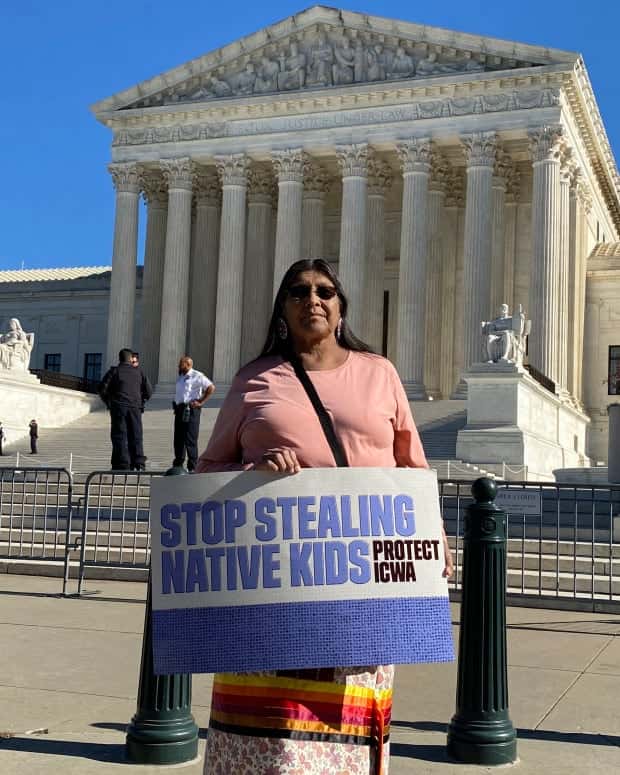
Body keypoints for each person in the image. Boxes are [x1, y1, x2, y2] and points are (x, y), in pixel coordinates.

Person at [195, 258, 454, 775]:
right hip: (275, 586)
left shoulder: (378, 373)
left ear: (340, 308)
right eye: (298, 291)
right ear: (283, 309)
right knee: (273, 746)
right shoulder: (255, 379)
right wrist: (252, 470)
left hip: (363, 580)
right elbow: (208, 468)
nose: (312, 299)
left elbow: (412, 468)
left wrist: (436, 540)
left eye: (324, 291)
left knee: (351, 737)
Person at [99, 348, 153, 471]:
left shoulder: (114, 371)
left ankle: (122, 464)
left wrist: (109, 402)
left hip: (119, 407)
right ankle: (139, 464)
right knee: (136, 435)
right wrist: (141, 401)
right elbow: (149, 392)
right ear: (130, 359)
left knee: (120, 435)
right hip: (135, 408)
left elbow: (101, 389)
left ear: (120, 358)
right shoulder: (139, 372)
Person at [173, 356, 215, 472]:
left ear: (188, 364)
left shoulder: (197, 375)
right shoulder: (181, 376)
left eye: (181, 363)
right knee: (178, 438)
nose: (179, 365)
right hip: (179, 409)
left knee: (190, 437)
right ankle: (178, 464)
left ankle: (192, 466)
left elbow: (211, 387)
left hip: (191, 409)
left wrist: (201, 401)